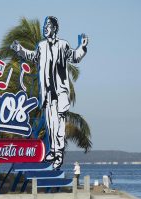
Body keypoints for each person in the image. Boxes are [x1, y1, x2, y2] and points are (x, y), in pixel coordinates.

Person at [11, 16, 88, 170]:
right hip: (47, 94)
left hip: (60, 92)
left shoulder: (63, 45)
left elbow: (74, 57)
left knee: (59, 125)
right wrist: (20, 49)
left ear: (54, 28)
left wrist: (83, 47)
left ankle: (58, 154)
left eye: (47, 25)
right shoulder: (42, 46)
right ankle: (53, 151)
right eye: (44, 25)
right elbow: (32, 56)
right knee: (51, 124)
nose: (45, 28)